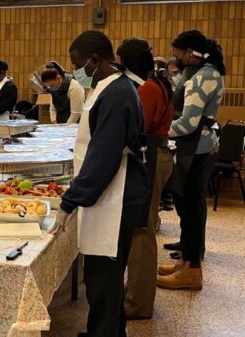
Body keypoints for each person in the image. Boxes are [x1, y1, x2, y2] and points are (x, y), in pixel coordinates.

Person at [49, 30, 148, 337]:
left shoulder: (117, 93)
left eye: (77, 64)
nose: (75, 71)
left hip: (116, 195)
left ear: (95, 60)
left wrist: (70, 200)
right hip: (110, 190)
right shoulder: (108, 85)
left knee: (103, 279)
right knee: (105, 277)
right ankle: (108, 332)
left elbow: (104, 156)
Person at [157, 30, 225, 290]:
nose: (176, 59)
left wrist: (158, 130)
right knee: (186, 206)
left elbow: (188, 123)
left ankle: (192, 269)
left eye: (179, 54)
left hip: (197, 148)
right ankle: (186, 261)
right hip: (195, 148)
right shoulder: (201, 72)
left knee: (191, 210)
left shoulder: (205, 75)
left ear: (191, 53)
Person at [116, 38, 174, 320]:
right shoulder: (157, 82)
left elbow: (137, 126)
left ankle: (137, 304)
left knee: (141, 231)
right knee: (143, 230)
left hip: (151, 158)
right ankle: (136, 294)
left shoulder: (148, 89)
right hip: (158, 155)